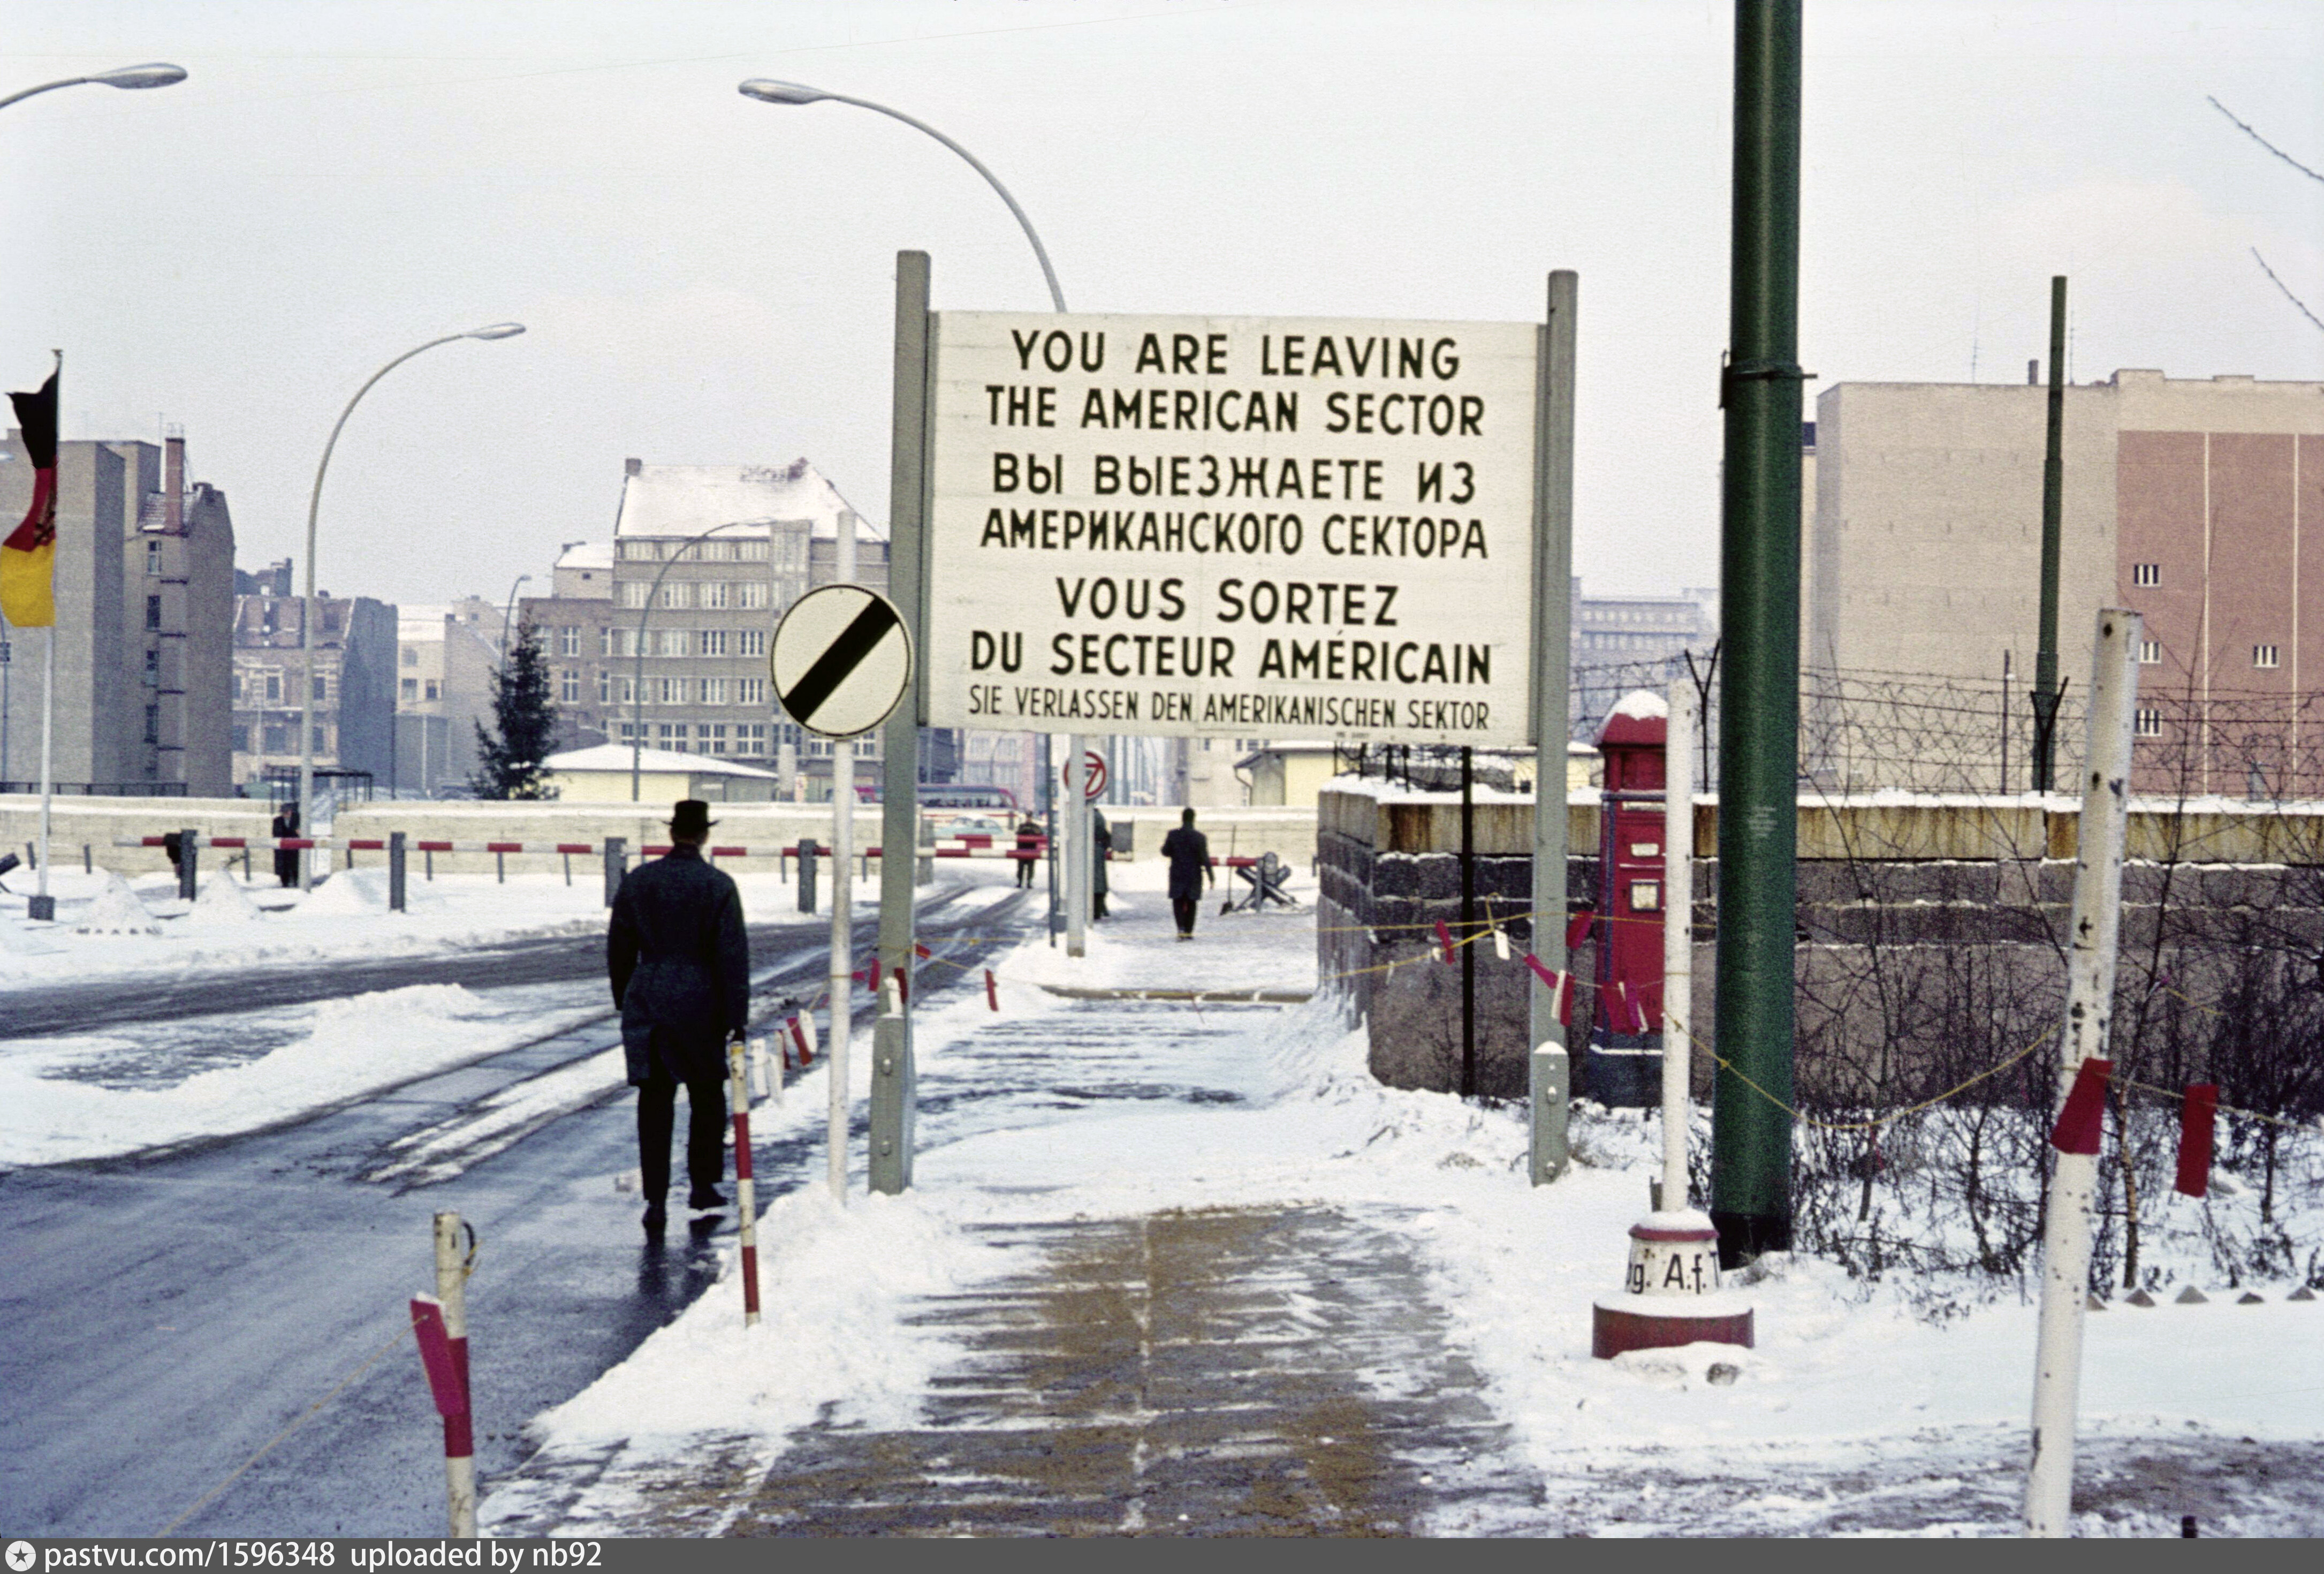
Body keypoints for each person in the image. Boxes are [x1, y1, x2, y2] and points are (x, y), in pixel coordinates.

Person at [607, 799, 751, 1235]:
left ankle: (655, 1199)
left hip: (649, 995)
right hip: (701, 1000)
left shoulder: (639, 881)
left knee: (654, 1100)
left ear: (672, 833)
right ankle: (703, 1186)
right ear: (705, 835)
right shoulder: (718, 885)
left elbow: (619, 947)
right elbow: (732, 956)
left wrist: (627, 997)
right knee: (707, 1096)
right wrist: (736, 1016)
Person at [1160, 807, 1214, 941]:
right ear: (1193, 819)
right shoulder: (1200, 837)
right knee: (1192, 902)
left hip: (1177, 873)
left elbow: (1165, 852)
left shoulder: (1173, 835)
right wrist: (1211, 877)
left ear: (1182, 818)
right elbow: (1205, 859)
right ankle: (1189, 931)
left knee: (1178, 902)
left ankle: (1181, 928)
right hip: (1194, 875)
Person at [271, 801, 300, 888]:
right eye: (284, 812)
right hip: (283, 849)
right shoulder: (277, 821)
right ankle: (285, 882)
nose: (286, 813)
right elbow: (276, 834)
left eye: (288, 811)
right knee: (283, 866)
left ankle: (296, 880)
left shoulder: (298, 820)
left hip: (295, 848)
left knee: (295, 865)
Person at [1090, 807, 1111, 921]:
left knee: (1094, 882)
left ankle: (1097, 910)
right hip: (1098, 850)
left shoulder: (1090, 816)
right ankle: (1100, 908)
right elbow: (1107, 836)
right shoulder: (1099, 816)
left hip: (1091, 850)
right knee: (1099, 882)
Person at [1014, 812, 1042, 889]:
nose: (1029, 819)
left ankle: (1029, 882)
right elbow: (1018, 833)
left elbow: (1040, 833)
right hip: (1022, 849)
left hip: (1031, 849)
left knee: (1030, 868)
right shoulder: (1022, 826)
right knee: (1021, 868)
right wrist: (1025, 830)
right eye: (1028, 817)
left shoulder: (1035, 827)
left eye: (1030, 817)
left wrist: (1032, 830)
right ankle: (1020, 882)